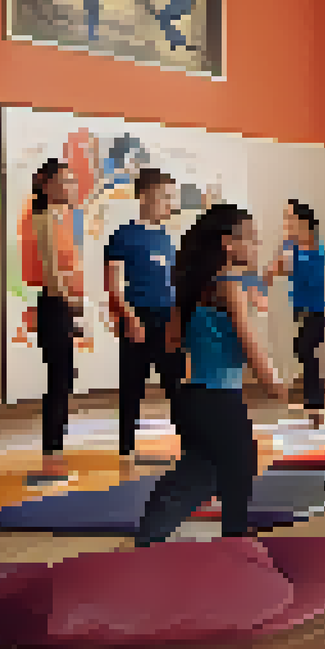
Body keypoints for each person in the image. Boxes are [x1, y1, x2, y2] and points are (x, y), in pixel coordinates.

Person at [134, 204, 284, 546]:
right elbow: (248, 340)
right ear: (229, 244)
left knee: (203, 467)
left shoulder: (194, 286)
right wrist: (273, 382)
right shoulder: (230, 284)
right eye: (252, 240)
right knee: (238, 467)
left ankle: (150, 534)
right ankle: (235, 540)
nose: (256, 246)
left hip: (193, 396)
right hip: (218, 397)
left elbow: (173, 342)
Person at [105, 169, 183, 464]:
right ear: (146, 196)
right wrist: (129, 318)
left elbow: (173, 283)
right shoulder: (123, 237)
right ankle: (126, 448)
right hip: (138, 318)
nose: (170, 204)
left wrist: (178, 320)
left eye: (172, 198)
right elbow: (112, 285)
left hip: (168, 319)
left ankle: (189, 445)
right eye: (165, 197)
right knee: (132, 384)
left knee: (175, 384)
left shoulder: (166, 239)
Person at [26, 159, 83, 485]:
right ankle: (51, 458)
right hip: (55, 305)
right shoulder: (46, 219)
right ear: (46, 185)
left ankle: (54, 454)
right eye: (64, 181)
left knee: (63, 380)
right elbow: (51, 274)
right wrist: (71, 306)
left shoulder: (60, 220)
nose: (70, 187)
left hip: (62, 305)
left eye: (73, 181)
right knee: (59, 383)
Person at [265, 200, 325, 428]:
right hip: (298, 310)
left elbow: (304, 275)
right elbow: (275, 269)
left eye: (290, 218)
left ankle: (315, 405)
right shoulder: (289, 245)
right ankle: (312, 405)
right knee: (302, 353)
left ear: (304, 223)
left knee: (306, 351)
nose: (286, 223)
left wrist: (285, 266)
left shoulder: (316, 248)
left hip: (316, 312)